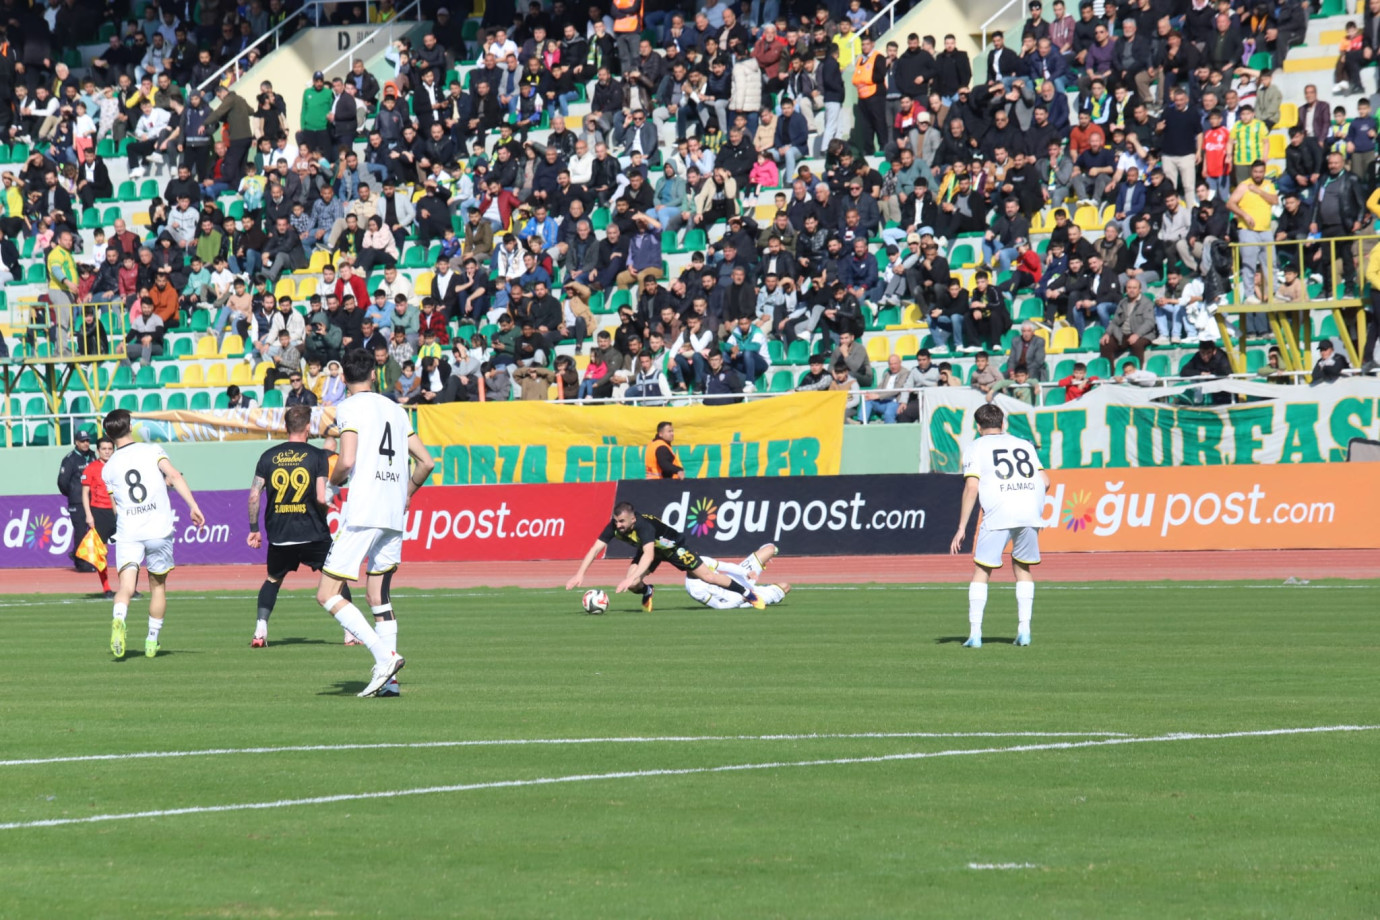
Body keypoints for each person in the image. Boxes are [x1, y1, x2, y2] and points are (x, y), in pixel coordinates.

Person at [315, 348, 435, 699]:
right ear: (374, 374)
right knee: (377, 594)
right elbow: (426, 462)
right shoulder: (397, 410)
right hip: (393, 514)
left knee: (326, 593)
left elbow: (347, 459)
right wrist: (407, 493)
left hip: (365, 509)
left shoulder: (348, 408)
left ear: (343, 378)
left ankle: (384, 658)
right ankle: (390, 683)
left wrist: (333, 481)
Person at [101, 408, 205, 660]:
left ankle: (119, 619)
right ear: (130, 426)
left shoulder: (108, 468)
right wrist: (193, 505)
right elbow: (173, 475)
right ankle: (151, 640)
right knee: (158, 587)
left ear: (109, 434)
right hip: (158, 529)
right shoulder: (152, 450)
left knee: (125, 586)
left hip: (129, 531)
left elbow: (117, 506)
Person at [949, 403, 1049, 648]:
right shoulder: (1024, 444)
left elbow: (972, 487)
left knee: (982, 571)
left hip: (999, 513)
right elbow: (1045, 481)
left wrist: (962, 526)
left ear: (978, 426)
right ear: (1003, 424)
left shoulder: (976, 446)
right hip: (1030, 512)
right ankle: (1024, 630)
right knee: (1023, 566)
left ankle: (975, 634)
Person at [246, 405, 341, 648]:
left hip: (280, 535)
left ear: (286, 427)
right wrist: (331, 504)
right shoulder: (317, 456)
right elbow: (321, 497)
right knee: (335, 578)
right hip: (313, 532)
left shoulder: (268, 456)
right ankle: (350, 633)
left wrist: (254, 528)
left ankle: (260, 631)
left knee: (272, 580)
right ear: (308, 427)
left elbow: (254, 496)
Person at [566, 501, 763, 611]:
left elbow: (649, 555)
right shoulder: (614, 527)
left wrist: (631, 577)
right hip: (650, 550)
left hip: (674, 548)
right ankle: (647, 591)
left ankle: (748, 594)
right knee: (634, 584)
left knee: (708, 577)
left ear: (633, 519)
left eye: (622, 522)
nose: (618, 526)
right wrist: (579, 574)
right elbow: (594, 549)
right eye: (616, 521)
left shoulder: (644, 526)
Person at [685, 544, 790, 609]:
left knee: (770, 549)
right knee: (785, 586)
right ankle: (764, 591)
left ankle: (761, 587)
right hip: (737, 598)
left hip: (735, 579)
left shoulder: (703, 560)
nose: (697, 563)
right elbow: (719, 606)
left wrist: (746, 572)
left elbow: (726, 566)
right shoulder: (695, 589)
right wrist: (742, 599)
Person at [80, 435, 117, 597]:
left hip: (119, 512)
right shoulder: (92, 468)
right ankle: (106, 587)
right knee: (101, 552)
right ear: (98, 450)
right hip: (99, 511)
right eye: (104, 449)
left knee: (128, 550)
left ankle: (130, 587)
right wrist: (89, 515)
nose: (107, 452)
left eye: (110, 449)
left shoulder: (119, 466)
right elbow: (85, 493)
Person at [58, 427, 97, 573]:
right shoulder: (70, 459)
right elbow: (62, 482)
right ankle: (81, 563)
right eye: (82, 441)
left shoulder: (93, 455)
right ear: (76, 442)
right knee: (80, 531)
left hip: (93, 500)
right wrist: (74, 494)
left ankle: (77, 553)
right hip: (78, 502)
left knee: (92, 532)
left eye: (87, 441)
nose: (86, 443)